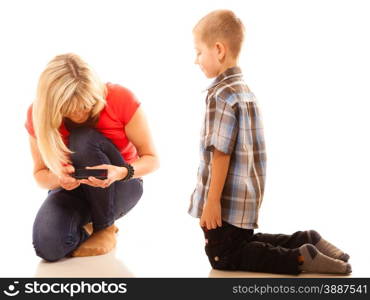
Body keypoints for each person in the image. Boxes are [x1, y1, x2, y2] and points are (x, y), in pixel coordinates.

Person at [188, 10, 351, 275]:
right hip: (245, 198)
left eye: (198, 52)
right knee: (243, 243)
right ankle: (306, 239)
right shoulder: (245, 91)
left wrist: (212, 200)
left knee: (223, 256)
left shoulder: (220, 95)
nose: (195, 60)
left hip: (226, 202)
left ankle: (299, 258)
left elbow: (221, 153)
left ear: (218, 50)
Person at [25, 53, 159, 262]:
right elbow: (40, 174)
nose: (80, 116)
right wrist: (58, 179)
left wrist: (122, 172)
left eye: (86, 106)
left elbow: (152, 159)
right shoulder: (37, 114)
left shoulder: (120, 98)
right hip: (74, 192)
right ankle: (88, 226)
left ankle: (105, 227)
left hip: (120, 186)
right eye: (70, 110)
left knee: (82, 139)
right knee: (48, 247)